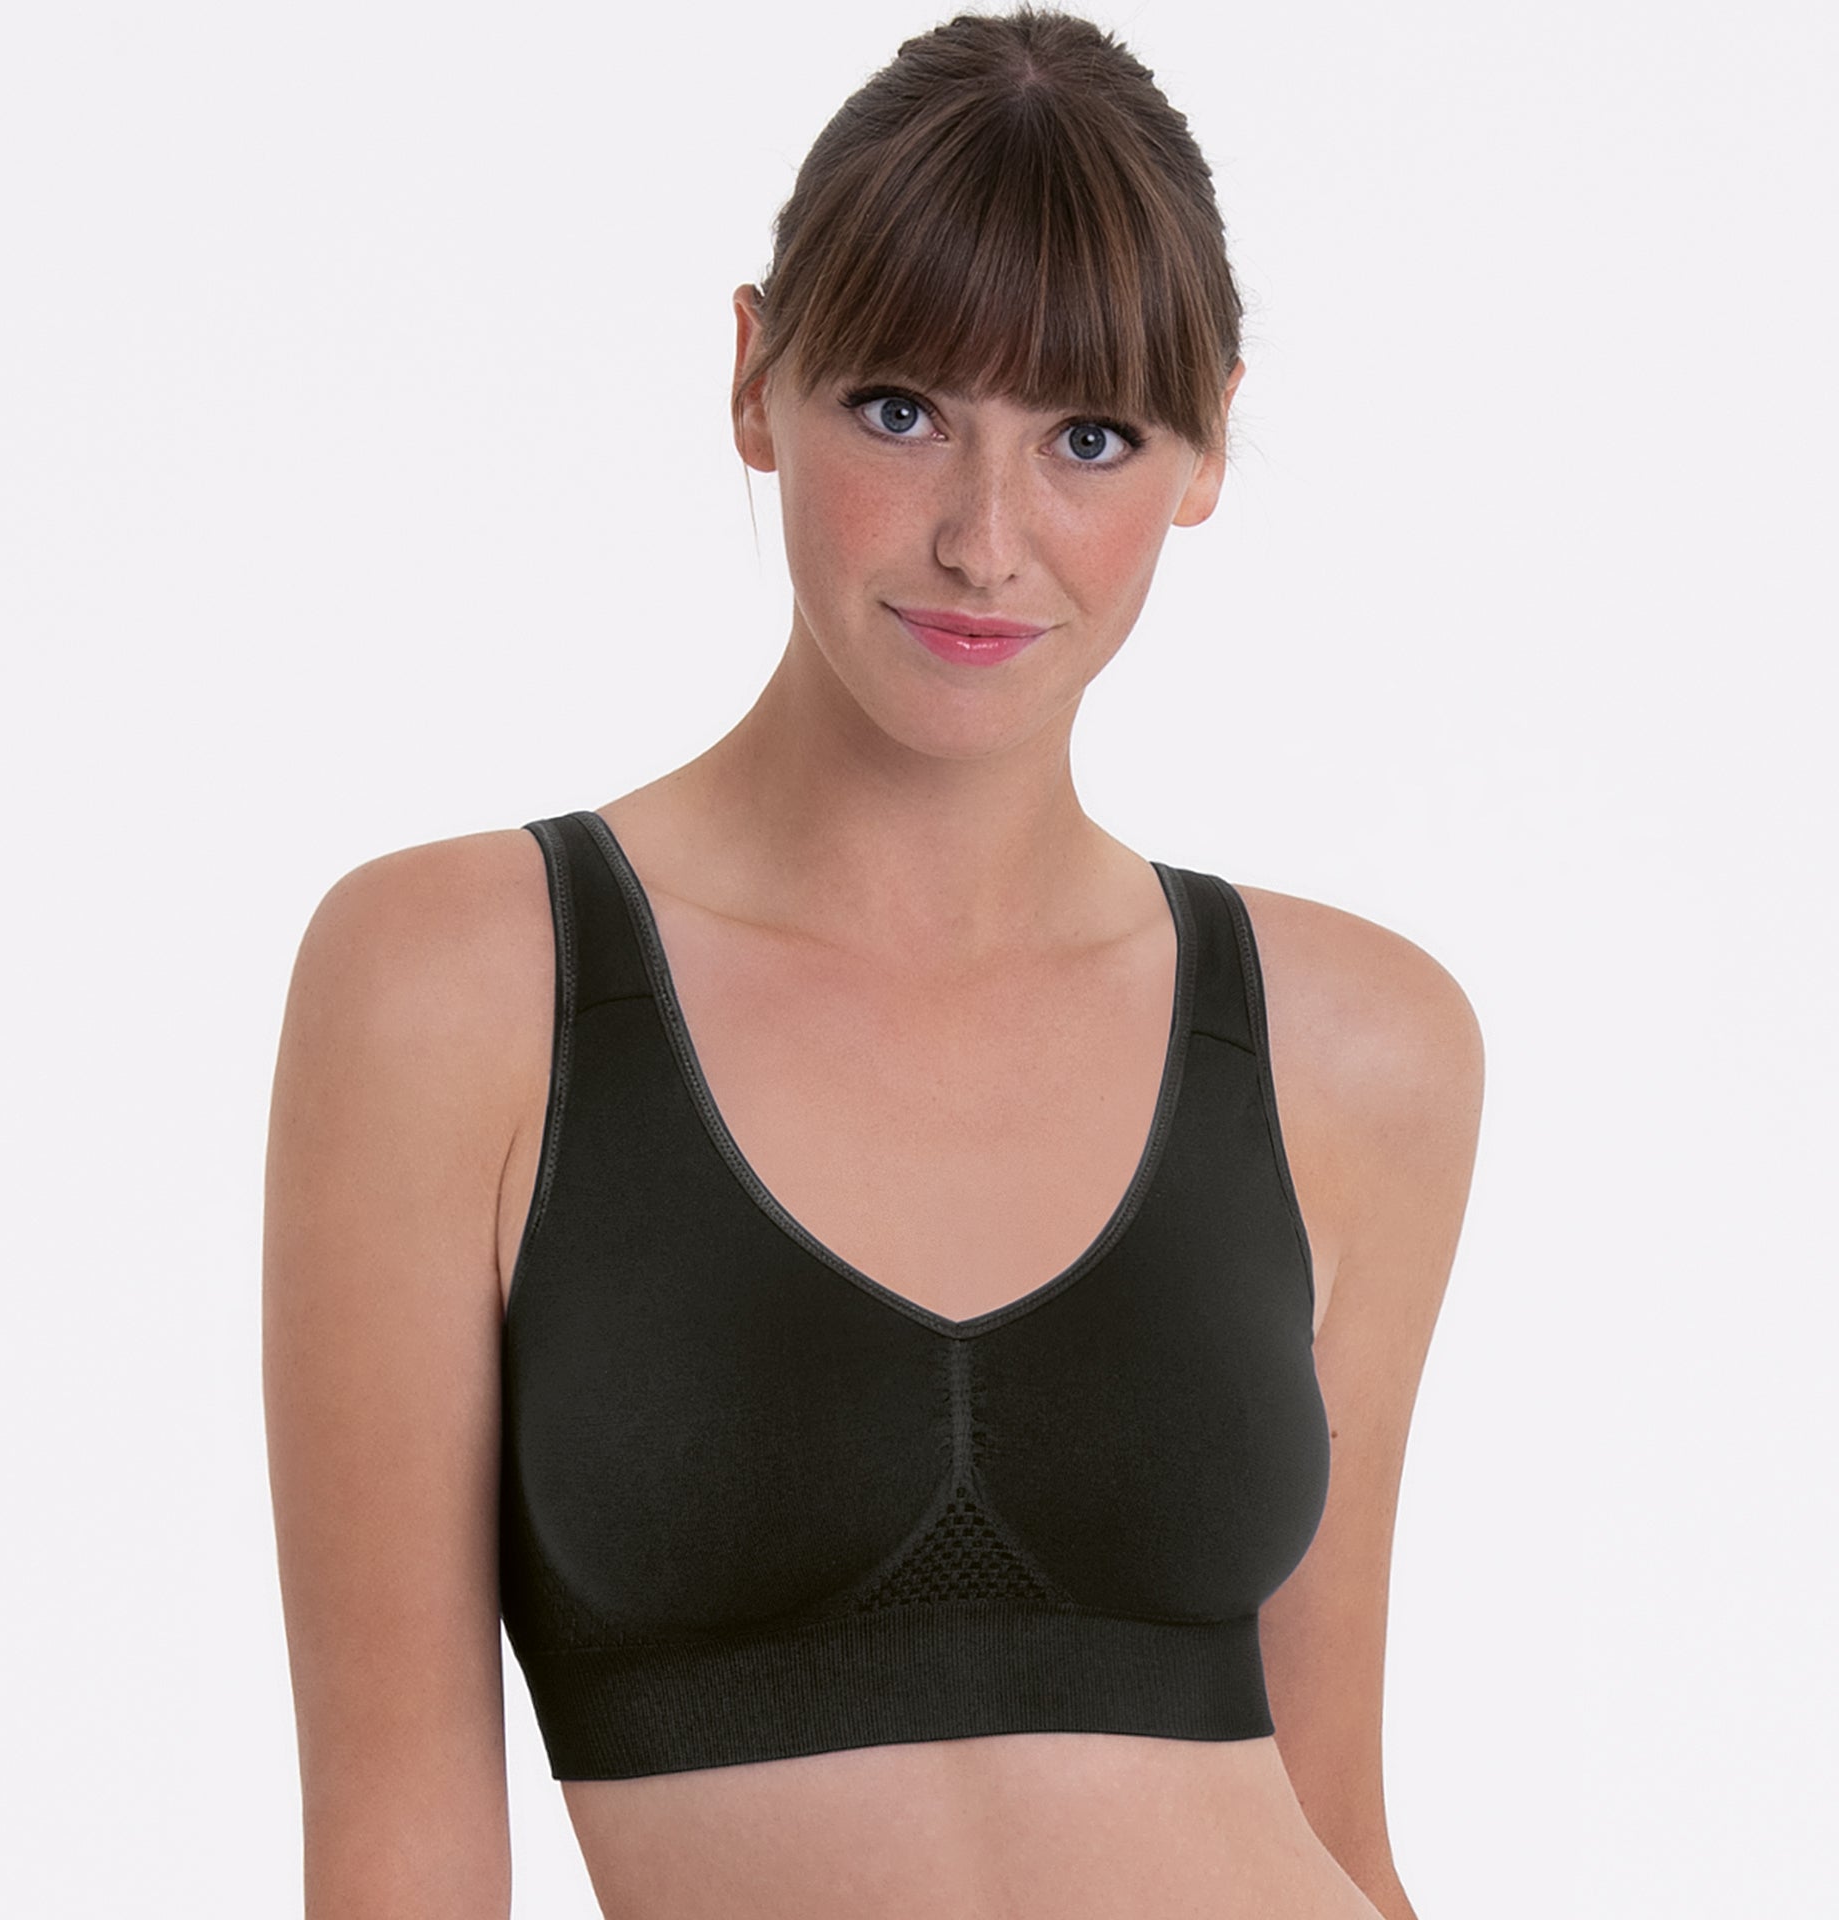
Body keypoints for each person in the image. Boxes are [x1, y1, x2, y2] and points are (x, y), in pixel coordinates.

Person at [262, 9, 1484, 1917]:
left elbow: (1340, 1828)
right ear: (756, 380)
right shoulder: (456, 988)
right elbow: (398, 1865)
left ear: (1205, 451)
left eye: (1090, 438)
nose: (986, 542)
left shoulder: (1356, 1046)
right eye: (902, 411)